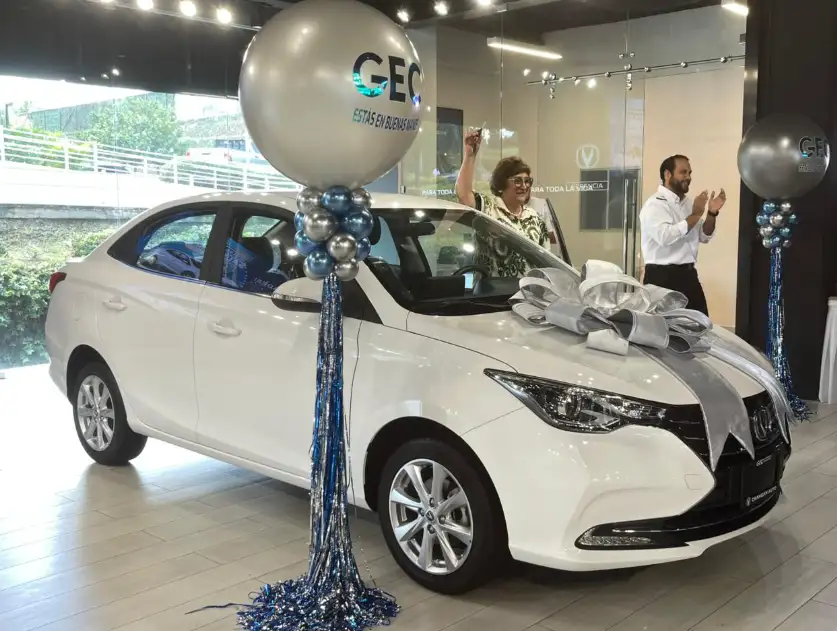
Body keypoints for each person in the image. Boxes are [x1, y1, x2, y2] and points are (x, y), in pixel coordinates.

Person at [639, 154, 726, 316]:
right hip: (661, 278)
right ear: (667, 174)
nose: (688, 177)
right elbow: (665, 237)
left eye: (690, 173)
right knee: (664, 328)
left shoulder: (687, 203)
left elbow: (704, 235)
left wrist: (711, 213)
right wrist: (696, 214)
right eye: (683, 172)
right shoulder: (655, 204)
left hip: (688, 276)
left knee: (700, 325)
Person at [454, 129, 549, 277]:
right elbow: (464, 195)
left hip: (527, 291)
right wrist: (470, 155)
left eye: (527, 181)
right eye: (517, 181)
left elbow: (546, 264)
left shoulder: (536, 219)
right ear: (502, 183)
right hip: (490, 290)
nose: (524, 186)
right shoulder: (488, 208)